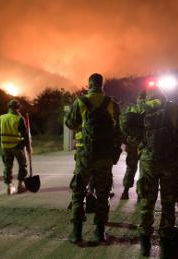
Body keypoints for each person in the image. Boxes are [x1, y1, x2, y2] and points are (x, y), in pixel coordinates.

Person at [122, 85, 178, 258]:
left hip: (148, 162)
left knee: (147, 202)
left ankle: (145, 244)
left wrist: (141, 142)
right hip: (170, 162)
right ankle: (166, 244)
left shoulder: (141, 108)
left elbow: (127, 128)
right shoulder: (175, 109)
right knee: (168, 204)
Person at [65, 73, 122, 245]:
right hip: (104, 155)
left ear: (88, 84)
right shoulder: (112, 104)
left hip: (84, 155)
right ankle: (99, 232)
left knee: (78, 192)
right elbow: (118, 130)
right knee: (103, 194)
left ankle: (76, 233)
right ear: (102, 85)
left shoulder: (80, 102)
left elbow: (70, 123)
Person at [0, 99, 29, 195]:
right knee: (23, 166)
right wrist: (29, 147)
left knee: (8, 167)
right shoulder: (19, 119)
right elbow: (25, 135)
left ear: (9, 107)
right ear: (18, 108)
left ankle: (9, 187)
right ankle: (20, 186)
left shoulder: (2, 118)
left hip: (5, 146)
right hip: (17, 146)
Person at [120, 91, 146, 201]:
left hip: (132, 145)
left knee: (130, 169)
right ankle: (140, 194)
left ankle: (125, 192)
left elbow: (123, 126)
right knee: (143, 171)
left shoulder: (131, 109)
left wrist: (126, 141)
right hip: (144, 145)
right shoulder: (149, 109)